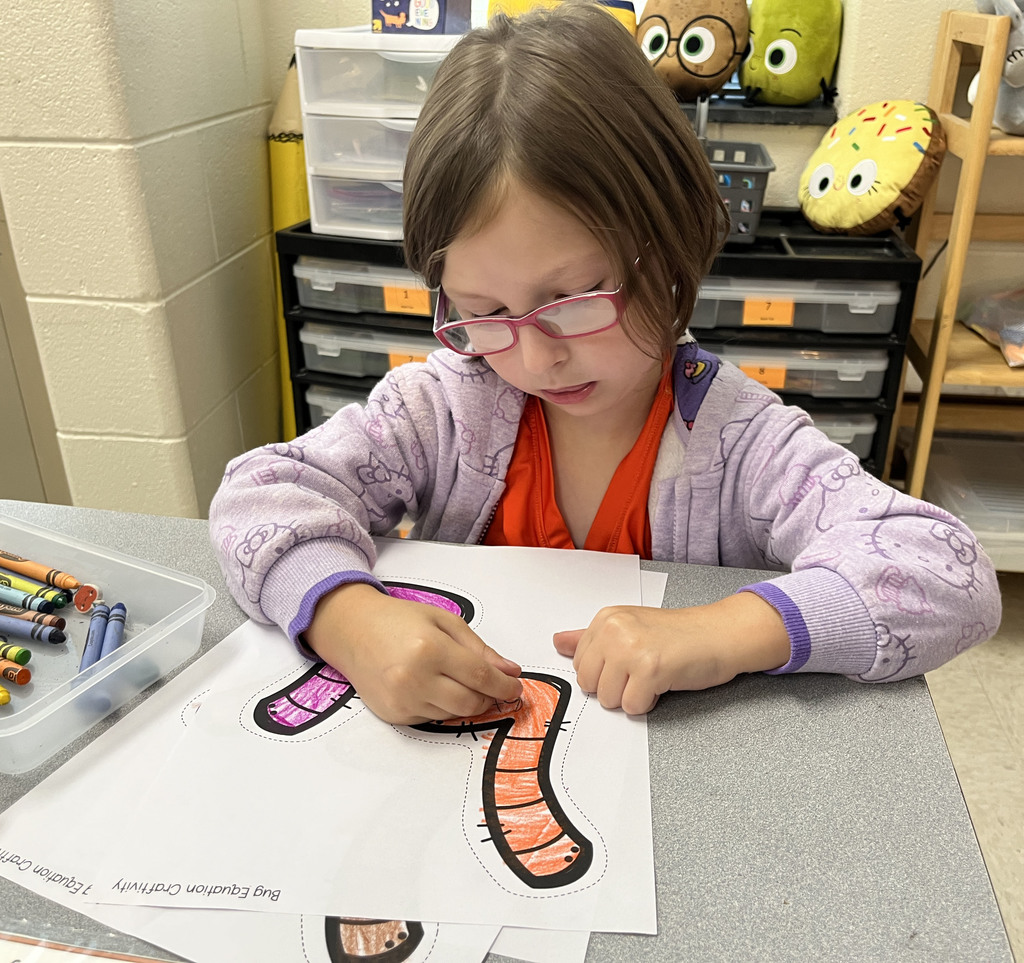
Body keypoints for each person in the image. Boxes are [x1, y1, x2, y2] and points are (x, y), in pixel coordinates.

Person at [209, 1, 1001, 725]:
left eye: (578, 296)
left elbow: (949, 574)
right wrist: (348, 618)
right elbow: (259, 494)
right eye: (484, 313)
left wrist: (722, 630)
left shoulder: (738, 441)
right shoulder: (444, 408)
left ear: (671, 238)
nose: (537, 353)